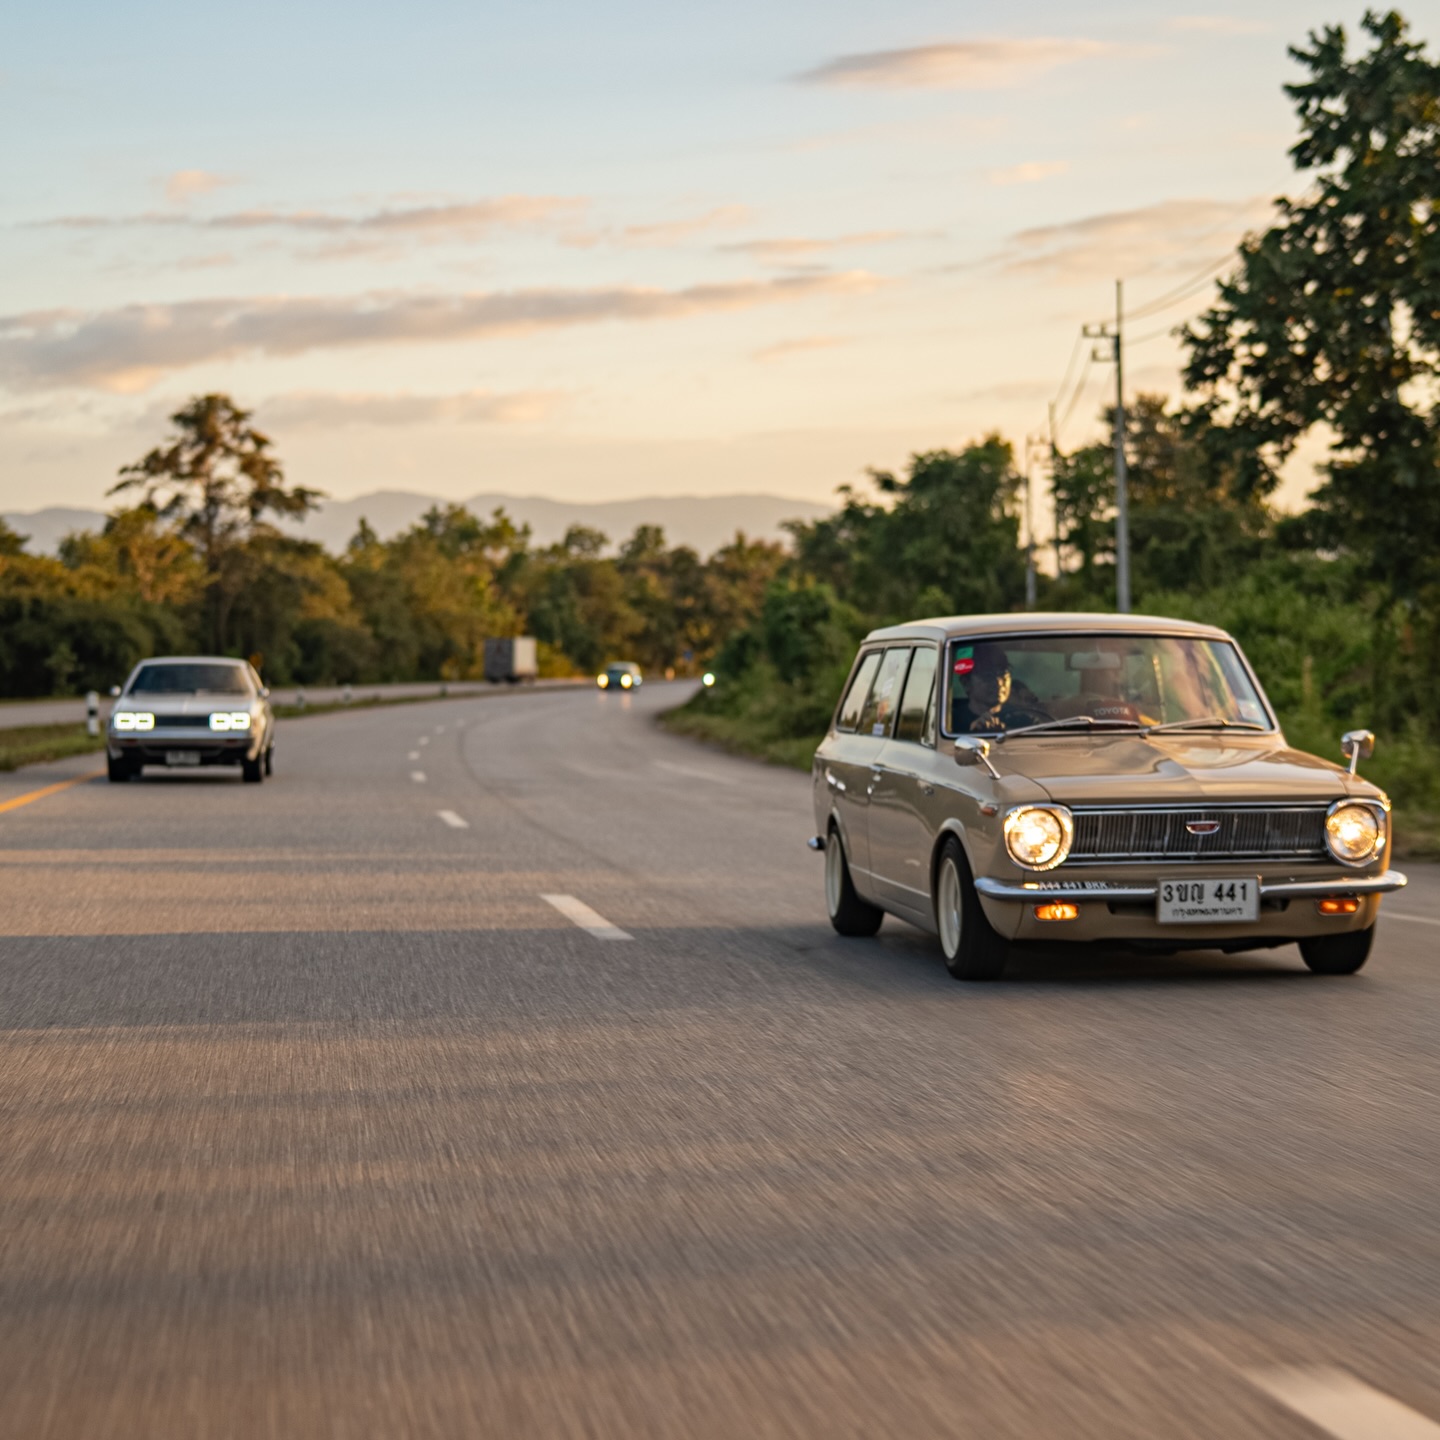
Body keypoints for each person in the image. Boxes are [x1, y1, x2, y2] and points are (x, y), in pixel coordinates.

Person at [951, 646, 1048, 733]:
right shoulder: (952, 722)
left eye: (1003, 673)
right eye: (987, 675)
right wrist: (972, 733)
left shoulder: (1025, 722)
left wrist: (1006, 733)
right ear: (966, 683)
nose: (999, 682)